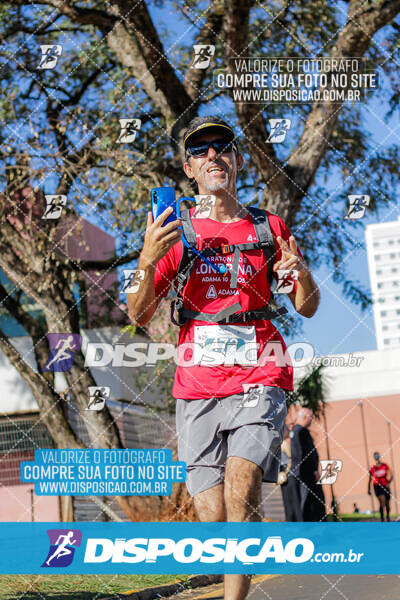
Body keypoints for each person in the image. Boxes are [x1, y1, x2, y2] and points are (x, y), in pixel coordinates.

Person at [128, 116, 320, 600]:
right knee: (212, 514)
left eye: (223, 147)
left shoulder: (266, 226)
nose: (213, 155)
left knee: (244, 485)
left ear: (235, 160)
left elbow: (307, 306)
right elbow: (138, 313)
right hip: (198, 384)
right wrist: (148, 259)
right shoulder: (176, 231)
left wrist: (302, 273)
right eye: (201, 150)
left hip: (261, 370)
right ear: (190, 169)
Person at [288, 407, 326, 522]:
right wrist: (314, 470)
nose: (312, 421)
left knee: (307, 504)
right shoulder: (301, 431)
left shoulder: (294, 431)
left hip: (302, 475)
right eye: (311, 418)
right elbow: (304, 454)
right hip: (307, 476)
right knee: (311, 505)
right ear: (305, 417)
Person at [368, 451, 392, 522]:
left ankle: (387, 517)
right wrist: (368, 489)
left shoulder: (385, 465)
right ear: (374, 458)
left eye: (377, 456)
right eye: (375, 456)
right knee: (382, 502)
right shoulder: (373, 468)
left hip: (385, 486)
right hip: (377, 486)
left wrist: (389, 482)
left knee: (387, 504)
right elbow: (370, 480)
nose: (377, 458)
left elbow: (391, 475)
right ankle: (382, 519)